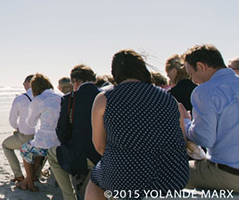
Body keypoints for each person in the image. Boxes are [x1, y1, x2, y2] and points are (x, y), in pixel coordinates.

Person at [86, 50, 188, 200]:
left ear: (115, 73)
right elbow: (182, 140)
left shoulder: (104, 99)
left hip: (127, 178)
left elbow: (100, 147)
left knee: (95, 182)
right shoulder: (169, 98)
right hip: (174, 176)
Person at [181, 44, 239, 190]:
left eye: (191, 74)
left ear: (201, 66)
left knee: (169, 173)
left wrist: (186, 123)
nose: (193, 81)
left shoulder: (204, 91)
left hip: (229, 174)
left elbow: (205, 138)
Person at [48, 65, 100, 200]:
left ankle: (69, 196)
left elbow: (62, 130)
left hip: (79, 154)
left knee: (52, 155)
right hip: (102, 153)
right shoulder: (106, 96)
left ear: (76, 81)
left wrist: (67, 143)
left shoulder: (70, 98)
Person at [17, 73, 62, 192]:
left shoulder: (38, 100)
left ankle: (30, 184)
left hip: (46, 141)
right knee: (38, 154)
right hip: (60, 141)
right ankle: (28, 180)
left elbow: (30, 123)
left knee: (25, 150)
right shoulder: (61, 96)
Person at [2, 74, 35, 183]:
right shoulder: (44, 98)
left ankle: (18, 174)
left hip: (26, 137)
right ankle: (36, 174)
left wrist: (18, 127)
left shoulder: (20, 98)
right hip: (41, 136)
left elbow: (12, 120)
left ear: (27, 83)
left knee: (6, 146)